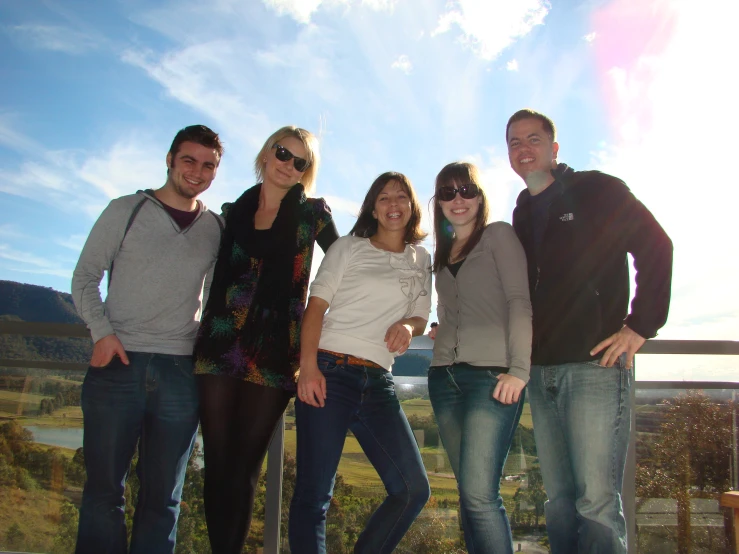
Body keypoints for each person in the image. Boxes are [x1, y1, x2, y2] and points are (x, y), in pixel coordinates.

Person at [507, 108, 673, 553]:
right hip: (541, 373)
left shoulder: (598, 190)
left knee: (596, 503)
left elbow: (657, 245)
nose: (524, 149)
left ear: (555, 148)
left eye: (533, 139)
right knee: (558, 501)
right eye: (514, 142)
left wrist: (641, 325)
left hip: (595, 366)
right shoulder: (522, 211)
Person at [71, 125, 224, 554]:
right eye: (189, 160)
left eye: (208, 164)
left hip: (179, 372)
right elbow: (84, 279)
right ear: (170, 159)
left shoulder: (215, 227)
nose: (197, 171)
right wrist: (102, 335)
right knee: (104, 493)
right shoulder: (127, 209)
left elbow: (215, 302)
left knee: (163, 499)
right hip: (116, 364)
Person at [193, 126, 339, 553]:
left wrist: (409, 314)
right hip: (218, 348)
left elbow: (351, 265)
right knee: (217, 466)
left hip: (274, 354)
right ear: (266, 153)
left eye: (300, 161)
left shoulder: (314, 214)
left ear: (306, 171)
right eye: (282, 153)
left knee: (243, 469)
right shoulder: (231, 212)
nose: (288, 165)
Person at [289, 172, 432, 554]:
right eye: (384, 198)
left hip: (379, 382)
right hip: (330, 370)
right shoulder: (349, 248)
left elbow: (420, 315)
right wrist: (308, 367)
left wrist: (406, 324)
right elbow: (315, 307)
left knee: (411, 489)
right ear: (372, 206)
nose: (393, 205)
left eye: (400, 197)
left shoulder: (422, 258)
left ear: (411, 206)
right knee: (314, 494)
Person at [427, 161, 532, 553]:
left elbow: (519, 302)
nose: (458, 199)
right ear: (438, 201)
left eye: (466, 190)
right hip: (444, 378)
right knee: (468, 494)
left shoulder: (498, 236)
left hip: (492, 378)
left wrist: (519, 370)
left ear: (480, 196)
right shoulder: (442, 251)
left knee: (480, 496)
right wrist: (442, 324)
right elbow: (459, 303)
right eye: (448, 192)